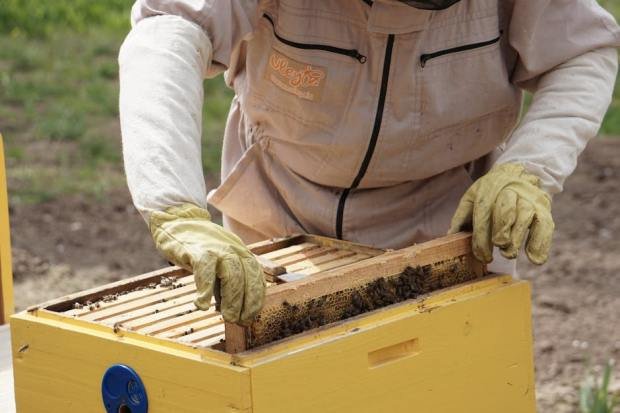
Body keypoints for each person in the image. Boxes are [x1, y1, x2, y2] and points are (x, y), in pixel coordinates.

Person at [119, 0, 619, 325]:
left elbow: (584, 50)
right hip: (277, 224)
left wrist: (528, 169)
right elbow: (170, 33)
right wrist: (174, 208)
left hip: (450, 234)